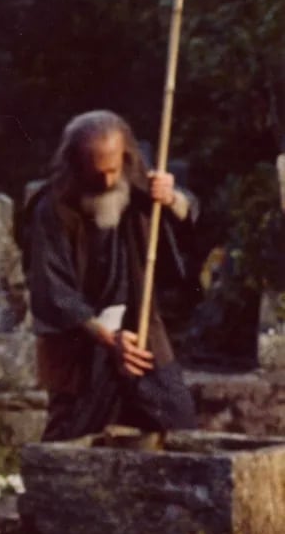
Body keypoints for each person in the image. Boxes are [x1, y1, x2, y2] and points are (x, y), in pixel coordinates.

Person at [24, 110, 199, 440]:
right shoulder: (52, 209)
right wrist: (108, 339)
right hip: (83, 342)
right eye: (96, 173)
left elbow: (189, 214)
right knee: (71, 443)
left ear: (126, 159)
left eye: (113, 170)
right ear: (75, 165)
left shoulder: (137, 186)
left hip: (141, 332)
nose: (106, 182)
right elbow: (53, 292)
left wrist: (173, 197)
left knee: (180, 428)